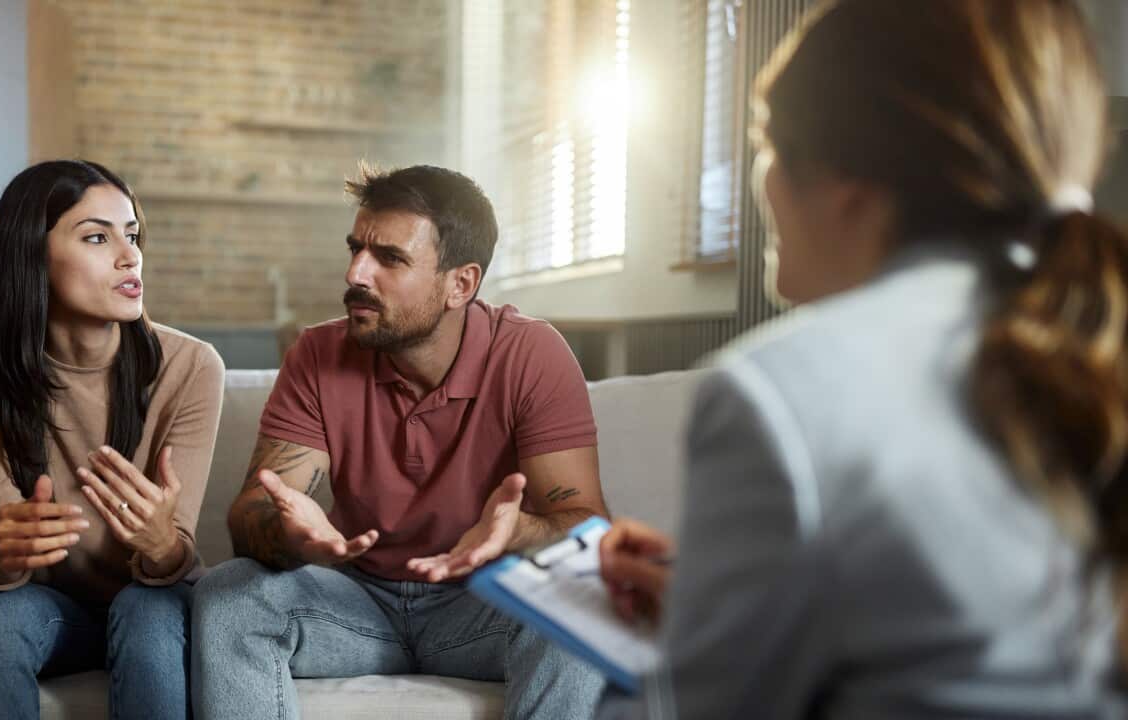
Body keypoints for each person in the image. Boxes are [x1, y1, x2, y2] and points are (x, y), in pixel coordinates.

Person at [598, 0, 1128, 717]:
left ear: (847, 180)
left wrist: (699, 638)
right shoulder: (1088, 334)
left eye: (764, 141)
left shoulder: (777, 392)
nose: (761, 178)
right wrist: (726, 593)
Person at [191, 164, 608, 720]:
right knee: (229, 594)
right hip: (356, 605)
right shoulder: (319, 354)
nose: (356, 273)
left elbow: (589, 531)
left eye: (389, 258)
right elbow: (255, 514)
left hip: (481, 607)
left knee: (585, 605)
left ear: (461, 283)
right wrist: (293, 537)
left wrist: (523, 530)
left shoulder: (531, 353)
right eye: (356, 249)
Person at [0, 160, 224, 720]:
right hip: (55, 611)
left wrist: (161, 539)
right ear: (32, 255)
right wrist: (9, 548)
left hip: (155, 603)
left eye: (132, 235)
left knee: (145, 613)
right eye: (98, 237)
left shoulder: (191, 366)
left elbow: (177, 556)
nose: (130, 256)